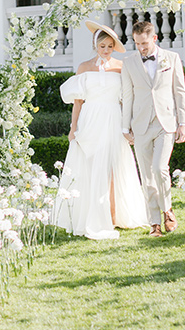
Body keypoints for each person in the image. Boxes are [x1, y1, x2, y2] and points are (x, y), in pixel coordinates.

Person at [53, 20, 148, 240]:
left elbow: (127, 100)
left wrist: (129, 125)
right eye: (102, 46)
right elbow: (78, 101)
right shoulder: (84, 67)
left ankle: (114, 214)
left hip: (114, 118)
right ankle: (89, 215)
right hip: (90, 119)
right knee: (89, 165)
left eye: (109, 46)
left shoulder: (120, 67)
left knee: (114, 165)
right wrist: (73, 128)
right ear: (95, 45)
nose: (106, 50)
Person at [121, 20, 185, 238]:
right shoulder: (128, 63)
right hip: (140, 124)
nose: (141, 48)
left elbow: (180, 92)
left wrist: (182, 123)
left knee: (160, 168)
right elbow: (127, 96)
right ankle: (154, 223)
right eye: (137, 44)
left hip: (165, 122)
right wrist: (125, 126)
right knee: (147, 175)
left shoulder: (172, 58)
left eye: (144, 43)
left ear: (154, 38)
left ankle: (167, 209)